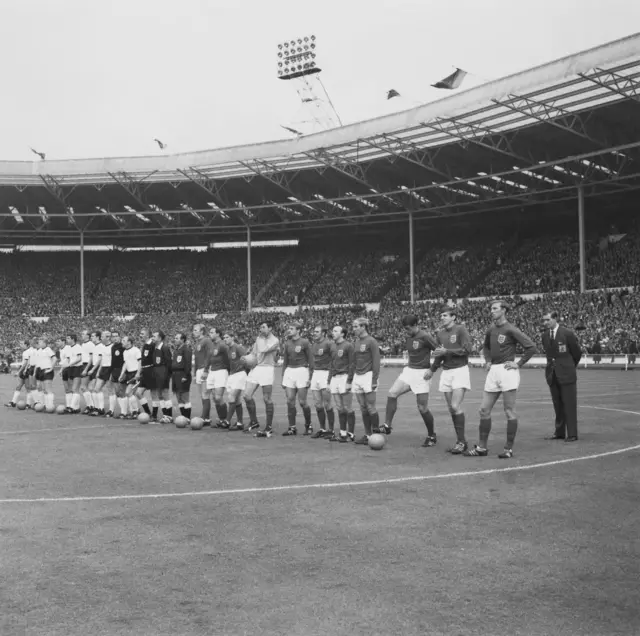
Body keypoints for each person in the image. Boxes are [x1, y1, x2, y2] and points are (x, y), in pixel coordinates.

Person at [464, 300, 536, 459]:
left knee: (509, 411)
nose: (491, 311)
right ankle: (482, 448)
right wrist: (488, 360)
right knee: (483, 410)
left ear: (504, 310)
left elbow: (531, 347)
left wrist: (519, 364)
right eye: (491, 308)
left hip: (507, 370)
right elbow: (486, 347)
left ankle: (508, 449)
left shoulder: (511, 329)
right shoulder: (491, 329)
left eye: (495, 308)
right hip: (493, 371)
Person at [381, 315, 438, 447]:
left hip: (422, 374)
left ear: (415, 325)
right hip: (409, 371)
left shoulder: (425, 336)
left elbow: (439, 352)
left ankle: (431, 435)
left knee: (422, 408)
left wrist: (432, 369)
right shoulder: (408, 337)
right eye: (404, 329)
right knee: (392, 393)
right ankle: (387, 426)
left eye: (407, 328)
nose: (406, 331)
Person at [425, 307, 473, 454]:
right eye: (441, 315)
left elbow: (468, 349)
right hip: (446, 372)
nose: (442, 317)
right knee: (451, 408)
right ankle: (460, 441)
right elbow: (439, 355)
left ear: (453, 317)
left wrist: (448, 351)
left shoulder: (460, 330)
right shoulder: (440, 334)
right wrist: (432, 370)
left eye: (445, 315)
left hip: (459, 370)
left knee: (454, 405)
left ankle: (462, 442)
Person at [542, 311, 582, 442]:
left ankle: (572, 434)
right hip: (552, 375)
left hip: (567, 374)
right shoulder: (545, 335)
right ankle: (559, 432)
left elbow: (577, 353)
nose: (545, 323)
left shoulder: (567, 333)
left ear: (555, 319)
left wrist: (569, 366)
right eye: (544, 320)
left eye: (547, 320)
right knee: (557, 405)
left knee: (569, 405)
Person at [243, 320, 280, 438]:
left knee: (266, 398)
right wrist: (246, 359)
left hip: (267, 369)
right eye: (260, 327)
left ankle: (268, 426)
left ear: (270, 328)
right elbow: (254, 353)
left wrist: (261, 339)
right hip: (257, 368)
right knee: (247, 395)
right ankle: (254, 421)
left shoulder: (275, 340)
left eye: (263, 327)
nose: (261, 329)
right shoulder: (258, 339)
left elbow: (263, 349)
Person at [351, 317, 381, 445]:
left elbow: (376, 361)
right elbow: (354, 361)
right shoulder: (356, 342)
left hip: (368, 376)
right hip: (357, 376)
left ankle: (376, 434)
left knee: (371, 407)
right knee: (363, 408)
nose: (354, 329)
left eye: (356, 326)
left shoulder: (371, 341)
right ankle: (367, 434)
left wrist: (374, 379)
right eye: (353, 326)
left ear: (363, 327)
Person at [281, 321, 314, 436]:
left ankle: (308, 425)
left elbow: (311, 360)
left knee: (302, 401)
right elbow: (285, 361)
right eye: (289, 328)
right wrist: (283, 376)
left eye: (292, 328)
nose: (289, 330)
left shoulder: (305, 342)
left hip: (302, 371)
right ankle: (292, 427)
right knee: (290, 400)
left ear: (298, 330)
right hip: (290, 371)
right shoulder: (287, 343)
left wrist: (311, 376)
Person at [328, 324, 356, 442]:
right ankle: (343, 433)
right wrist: (329, 381)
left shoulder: (348, 346)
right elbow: (331, 364)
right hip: (334, 378)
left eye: (335, 331)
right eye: (333, 331)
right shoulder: (333, 346)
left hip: (344, 377)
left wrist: (349, 381)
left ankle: (351, 433)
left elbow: (352, 364)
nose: (332, 332)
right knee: (339, 407)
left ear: (342, 334)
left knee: (348, 407)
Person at [310, 324, 336, 439]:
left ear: (323, 333)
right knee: (317, 404)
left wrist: (330, 377)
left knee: (327, 403)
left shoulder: (329, 344)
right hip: (316, 374)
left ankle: (331, 430)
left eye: (317, 332)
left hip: (326, 374)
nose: (314, 333)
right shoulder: (314, 345)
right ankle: (322, 429)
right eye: (314, 331)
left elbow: (334, 359)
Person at [207, 327, 231, 428]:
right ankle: (222, 419)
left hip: (221, 371)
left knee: (218, 397)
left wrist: (230, 370)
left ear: (218, 334)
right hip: (212, 371)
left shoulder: (222, 344)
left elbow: (229, 356)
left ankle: (224, 420)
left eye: (212, 332)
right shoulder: (212, 345)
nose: (210, 334)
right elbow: (210, 358)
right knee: (214, 398)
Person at [223, 331, 247, 431]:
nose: (225, 339)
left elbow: (247, 360)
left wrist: (245, 374)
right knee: (237, 400)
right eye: (224, 337)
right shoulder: (228, 349)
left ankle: (227, 421)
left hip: (240, 374)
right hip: (232, 375)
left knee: (231, 397)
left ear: (232, 337)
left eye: (227, 337)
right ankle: (240, 423)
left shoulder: (238, 347)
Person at [193, 323, 215, 426]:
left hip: (205, 369)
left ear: (202, 331)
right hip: (199, 370)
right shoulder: (197, 342)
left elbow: (210, 355)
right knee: (202, 395)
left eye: (196, 330)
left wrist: (206, 370)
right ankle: (206, 418)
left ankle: (205, 417)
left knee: (206, 394)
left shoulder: (207, 341)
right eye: (193, 330)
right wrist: (194, 373)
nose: (194, 332)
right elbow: (197, 359)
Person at [151, 330, 173, 423]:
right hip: (156, 373)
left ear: (160, 338)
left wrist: (167, 375)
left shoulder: (165, 348)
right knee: (160, 395)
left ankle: (169, 416)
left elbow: (169, 363)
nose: (152, 338)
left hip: (163, 374)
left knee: (165, 394)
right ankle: (165, 415)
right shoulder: (155, 347)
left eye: (154, 336)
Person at [118, 336, 142, 419]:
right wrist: (122, 374)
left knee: (128, 392)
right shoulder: (125, 352)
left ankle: (136, 410)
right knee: (129, 393)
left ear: (129, 342)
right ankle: (133, 411)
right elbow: (125, 363)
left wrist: (138, 373)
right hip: (128, 373)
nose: (122, 342)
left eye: (124, 340)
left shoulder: (136, 350)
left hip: (135, 373)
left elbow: (140, 362)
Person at [89, 330, 112, 417]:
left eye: (102, 336)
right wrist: (99, 371)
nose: (101, 338)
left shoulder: (107, 347)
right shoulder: (103, 347)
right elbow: (102, 360)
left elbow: (101, 359)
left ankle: (109, 410)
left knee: (111, 391)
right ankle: (99, 409)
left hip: (109, 369)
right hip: (102, 369)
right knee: (96, 389)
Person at [171, 332, 192, 420]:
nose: (175, 339)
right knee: (179, 397)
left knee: (184, 397)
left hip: (183, 374)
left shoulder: (186, 349)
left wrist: (185, 376)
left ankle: (187, 418)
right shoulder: (176, 349)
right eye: (175, 338)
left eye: (177, 338)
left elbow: (188, 363)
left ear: (182, 340)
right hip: (175, 375)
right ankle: (183, 417)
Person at [136, 328, 155, 417]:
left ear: (147, 335)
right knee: (138, 393)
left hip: (151, 371)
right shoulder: (145, 345)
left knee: (153, 394)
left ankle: (154, 415)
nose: (140, 335)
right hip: (145, 372)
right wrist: (139, 372)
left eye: (142, 334)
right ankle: (148, 412)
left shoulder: (152, 344)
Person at [5, 340, 30, 408]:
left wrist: (19, 372)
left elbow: (25, 363)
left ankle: (28, 404)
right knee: (19, 386)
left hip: (26, 371)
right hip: (24, 371)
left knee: (28, 387)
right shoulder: (25, 352)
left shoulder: (27, 352)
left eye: (22, 344)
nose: (20, 345)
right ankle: (13, 402)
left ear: (26, 345)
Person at [34, 337, 56, 411]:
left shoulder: (48, 349)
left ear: (44, 343)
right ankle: (42, 404)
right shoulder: (39, 350)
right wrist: (35, 372)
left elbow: (55, 359)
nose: (38, 343)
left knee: (47, 389)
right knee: (40, 388)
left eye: (40, 342)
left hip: (46, 370)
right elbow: (37, 362)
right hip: (39, 370)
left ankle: (50, 405)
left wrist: (51, 368)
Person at [108, 330, 125, 418]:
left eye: (116, 336)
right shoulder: (113, 347)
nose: (114, 338)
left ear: (119, 337)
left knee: (121, 392)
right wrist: (110, 371)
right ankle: (113, 411)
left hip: (121, 371)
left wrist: (123, 372)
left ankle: (125, 412)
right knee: (114, 391)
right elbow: (113, 361)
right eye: (113, 336)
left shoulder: (123, 346)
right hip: (114, 371)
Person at [80, 330, 97, 415]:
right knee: (86, 387)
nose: (82, 335)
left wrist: (86, 369)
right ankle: (90, 406)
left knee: (84, 387)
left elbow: (91, 358)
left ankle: (91, 406)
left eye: (83, 334)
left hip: (87, 365)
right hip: (84, 365)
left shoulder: (90, 345)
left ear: (88, 336)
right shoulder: (83, 344)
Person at [67, 333, 84, 414]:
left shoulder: (77, 347)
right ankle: (76, 408)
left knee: (75, 388)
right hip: (71, 368)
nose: (67, 340)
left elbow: (79, 358)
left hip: (77, 368)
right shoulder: (69, 348)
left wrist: (70, 363)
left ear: (73, 339)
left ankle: (72, 407)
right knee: (72, 389)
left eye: (68, 338)